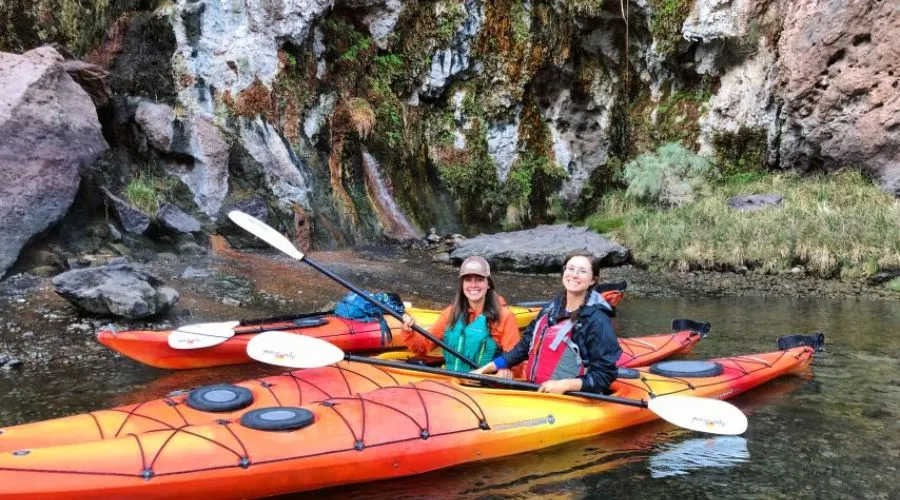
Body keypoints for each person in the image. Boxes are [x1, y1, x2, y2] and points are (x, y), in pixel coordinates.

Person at [472, 250, 622, 394]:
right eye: (570, 269)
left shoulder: (597, 321)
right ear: (564, 273)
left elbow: (605, 374)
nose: (574, 275)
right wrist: (486, 369)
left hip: (569, 401)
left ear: (592, 280)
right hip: (538, 393)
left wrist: (565, 385)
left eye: (582, 271)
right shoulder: (549, 310)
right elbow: (523, 349)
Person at [401, 256, 522, 373]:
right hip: (452, 381)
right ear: (462, 284)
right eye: (468, 280)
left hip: (483, 384)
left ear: (488, 284)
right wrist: (409, 332)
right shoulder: (451, 313)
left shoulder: (504, 316)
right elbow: (422, 347)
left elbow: (516, 362)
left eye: (479, 279)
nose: (473, 285)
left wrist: (504, 372)